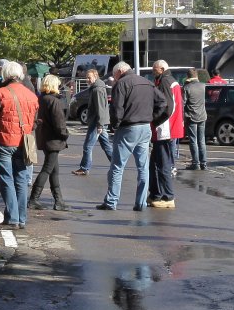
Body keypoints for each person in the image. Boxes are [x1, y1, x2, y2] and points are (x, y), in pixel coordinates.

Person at [0, 60, 39, 229]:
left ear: (6, 74)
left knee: (5, 179)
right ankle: (21, 218)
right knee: (21, 179)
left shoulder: (1, 93)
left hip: (4, 141)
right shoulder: (31, 95)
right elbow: (35, 121)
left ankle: (12, 218)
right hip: (24, 141)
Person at [99, 62, 156, 212]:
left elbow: (117, 108)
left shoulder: (121, 84)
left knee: (117, 166)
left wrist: (115, 126)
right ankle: (141, 203)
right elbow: (162, 103)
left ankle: (111, 201)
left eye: (114, 74)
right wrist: (153, 119)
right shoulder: (147, 83)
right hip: (145, 127)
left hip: (128, 128)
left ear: (119, 71)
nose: (114, 77)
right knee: (143, 167)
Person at [29, 74, 71, 212]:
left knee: (54, 170)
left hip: (45, 137)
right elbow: (59, 123)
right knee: (48, 169)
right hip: (53, 139)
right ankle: (34, 198)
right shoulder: (54, 101)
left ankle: (58, 200)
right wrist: (65, 134)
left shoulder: (41, 99)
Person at [148, 60, 182, 209]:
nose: (152, 71)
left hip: (164, 129)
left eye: (154, 69)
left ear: (162, 69)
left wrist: (154, 120)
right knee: (156, 164)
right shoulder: (170, 81)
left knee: (162, 164)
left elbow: (167, 107)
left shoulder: (165, 82)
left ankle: (168, 196)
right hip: (168, 128)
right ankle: (156, 194)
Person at [74, 67, 113, 175]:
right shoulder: (97, 87)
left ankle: (84, 168)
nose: (87, 80)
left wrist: (100, 125)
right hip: (99, 121)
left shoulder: (97, 89)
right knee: (106, 145)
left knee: (88, 146)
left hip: (97, 122)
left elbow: (100, 108)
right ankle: (116, 164)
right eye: (86, 78)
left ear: (95, 76)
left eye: (89, 77)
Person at [182, 69, 208, 170]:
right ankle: (203, 163)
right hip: (202, 115)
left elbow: (183, 103)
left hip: (191, 116)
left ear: (188, 77)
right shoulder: (203, 86)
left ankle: (195, 163)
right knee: (202, 140)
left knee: (193, 140)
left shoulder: (187, 87)